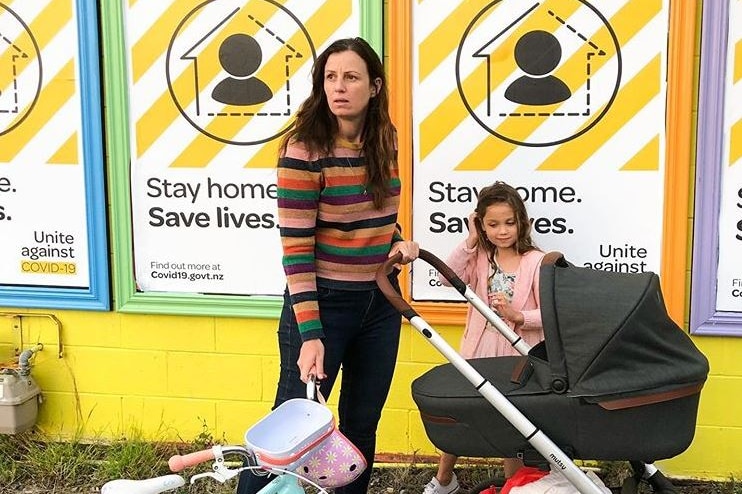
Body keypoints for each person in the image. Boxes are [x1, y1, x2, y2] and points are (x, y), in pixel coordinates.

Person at [237, 37, 418, 494]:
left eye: (351, 77)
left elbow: (369, 214)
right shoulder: (304, 150)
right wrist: (311, 334)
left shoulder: (385, 140)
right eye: (330, 77)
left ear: (374, 87)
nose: (339, 87)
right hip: (323, 305)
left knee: (361, 426)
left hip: (379, 302)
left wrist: (395, 242)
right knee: (291, 430)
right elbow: (296, 250)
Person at [424, 182, 546, 494]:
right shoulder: (479, 256)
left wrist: (521, 317)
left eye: (509, 223)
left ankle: (511, 485)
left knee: (509, 420)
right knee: (464, 408)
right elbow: (444, 276)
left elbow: (550, 313)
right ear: (481, 223)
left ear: (522, 222)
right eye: (492, 224)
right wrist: (471, 240)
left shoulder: (535, 261)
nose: (502, 231)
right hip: (480, 349)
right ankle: (444, 479)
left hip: (516, 354)